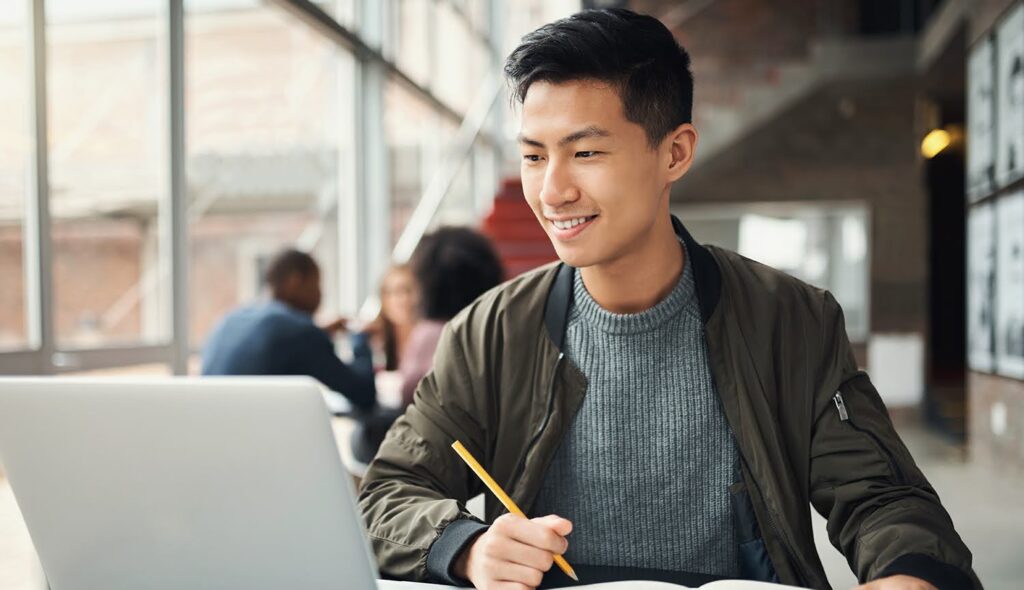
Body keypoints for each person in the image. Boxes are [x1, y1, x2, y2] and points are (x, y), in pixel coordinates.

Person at [358, 8, 978, 590]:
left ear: (675, 152)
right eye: (533, 156)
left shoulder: (790, 319)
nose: (552, 190)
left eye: (586, 152)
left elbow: (884, 498)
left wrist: (907, 572)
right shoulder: (490, 332)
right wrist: (465, 547)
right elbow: (387, 494)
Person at [349, 227, 504, 464]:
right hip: (489, 454)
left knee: (362, 437)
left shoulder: (430, 333)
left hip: (443, 458)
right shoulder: (497, 326)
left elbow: (410, 394)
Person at [202, 248, 375, 411]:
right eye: (316, 285)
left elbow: (278, 346)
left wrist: (319, 331)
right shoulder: (300, 333)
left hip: (213, 433)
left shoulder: (232, 318)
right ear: (296, 281)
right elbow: (364, 394)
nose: (320, 295)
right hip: (260, 436)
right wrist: (360, 336)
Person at [366, 264, 419, 372]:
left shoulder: (430, 337)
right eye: (396, 292)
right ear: (383, 298)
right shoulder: (373, 339)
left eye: (409, 291)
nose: (404, 299)